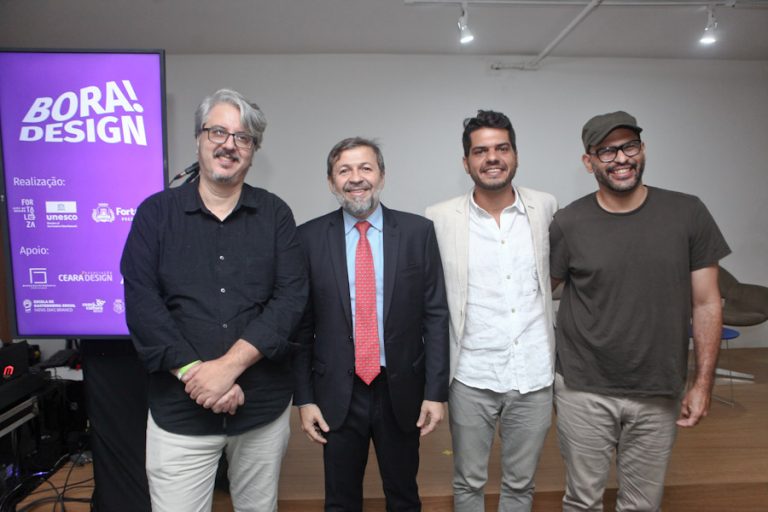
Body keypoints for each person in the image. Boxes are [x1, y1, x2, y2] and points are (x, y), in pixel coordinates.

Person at [121, 88, 308, 512]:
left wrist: (227, 369)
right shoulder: (155, 214)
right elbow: (142, 302)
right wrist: (196, 375)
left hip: (261, 407)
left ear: (254, 150)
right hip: (179, 410)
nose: (229, 144)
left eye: (242, 137)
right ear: (199, 139)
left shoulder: (276, 214)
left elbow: (290, 298)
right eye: (218, 132)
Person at [550, 110, 731, 511]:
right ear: (589, 161)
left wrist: (702, 384)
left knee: (642, 504)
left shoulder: (687, 212)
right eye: (607, 151)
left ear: (643, 149)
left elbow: (706, 303)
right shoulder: (569, 222)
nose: (620, 158)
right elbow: (535, 292)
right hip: (583, 385)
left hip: (657, 386)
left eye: (629, 146)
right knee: (582, 500)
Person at [293, 137, 450, 511]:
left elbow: (436, 315)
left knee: (403, 495)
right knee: (341, 500)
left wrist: (435, 391)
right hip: (336, 392)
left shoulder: (417, 233)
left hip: (401, 390)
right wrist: (304, 399)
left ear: (382, 176)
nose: (356, 178)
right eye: (344, 170)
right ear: (331, 182)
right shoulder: (308, 238)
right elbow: (300, 328)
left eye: (365, 168)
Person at [425, 110, 558, 511]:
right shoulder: (439, 218)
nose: (492, 158)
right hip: (470, 375)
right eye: (480, 151)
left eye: (501, 148)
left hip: (534, 374)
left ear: (515, 155)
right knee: (468, 481)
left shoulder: (546, 207)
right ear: (466, 162)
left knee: (521, 483)